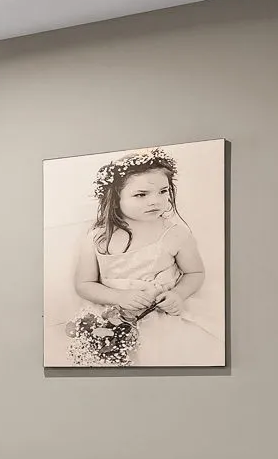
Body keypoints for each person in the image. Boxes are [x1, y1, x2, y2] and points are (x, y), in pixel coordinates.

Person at [69, 150, 216, 366]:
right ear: (115, 198)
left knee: (165, 353)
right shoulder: (98, 237)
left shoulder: (175, 234)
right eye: (141, 194)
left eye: (163, 191)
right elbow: (84, 284)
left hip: (160, 310)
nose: (155, 201)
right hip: (113, 311)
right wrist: (118, 297)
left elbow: (194, 272)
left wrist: (178, 294)